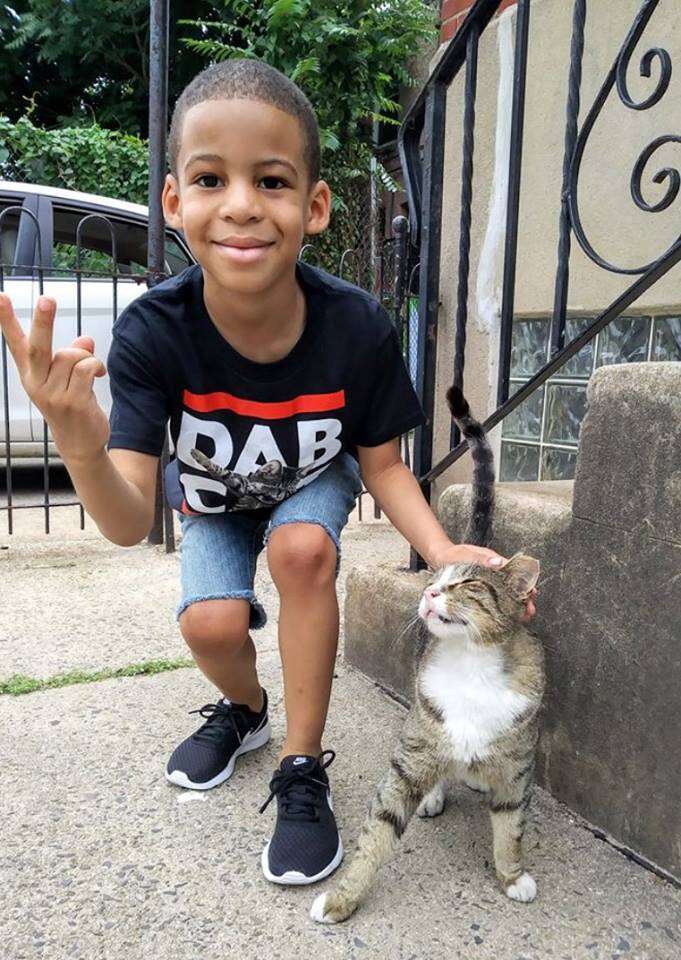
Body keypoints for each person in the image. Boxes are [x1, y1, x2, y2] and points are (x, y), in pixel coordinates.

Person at [0, 59, 535, 887]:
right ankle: (247, 710)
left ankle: (299, 765)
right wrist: (78, 438)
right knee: (210, 626)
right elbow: (124, 518)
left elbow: (383, 468)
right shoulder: (152, 330)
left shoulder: (353, 325)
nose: (243, 203)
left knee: (302, 554)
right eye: (211, 178)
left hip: (309, 486)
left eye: (272, 180)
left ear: (313, 206)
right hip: (214, 503)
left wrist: (447, 559)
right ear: (175, 202)